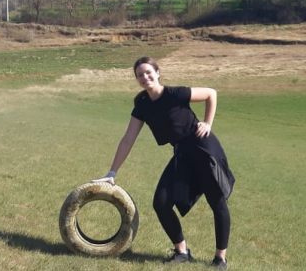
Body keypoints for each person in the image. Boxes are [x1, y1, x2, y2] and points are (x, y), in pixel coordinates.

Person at [92, 56, 235, 270]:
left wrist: (207, 122)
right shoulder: (142, 105)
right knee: (161, 202)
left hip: (203, 148)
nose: (145, 77)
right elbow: (128, 138)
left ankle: (220, 258)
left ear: (158, 73)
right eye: (140, 75)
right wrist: (112, 172)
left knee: (217, 202)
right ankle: (182, 252)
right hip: (182, 154)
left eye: (148, 72)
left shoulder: (175, 94)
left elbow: (211, 93)